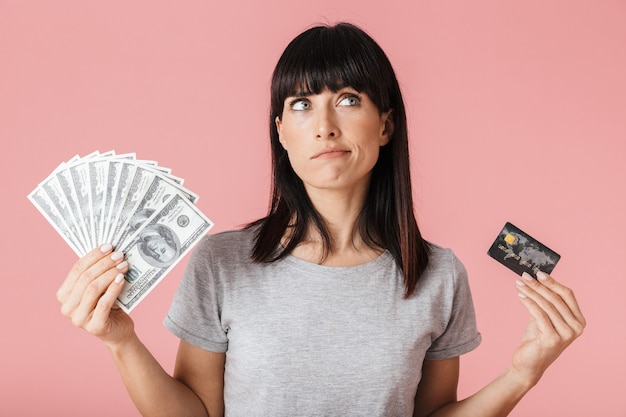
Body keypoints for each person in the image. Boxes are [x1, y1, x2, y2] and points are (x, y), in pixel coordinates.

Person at [57, 22, 585, 417]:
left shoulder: (440, 275)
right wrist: (120, 340)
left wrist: (523, 373)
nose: (325, 127)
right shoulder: (222, 261)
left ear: (385, 125)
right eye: (302, 104)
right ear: (281, 132)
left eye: (349, 99)